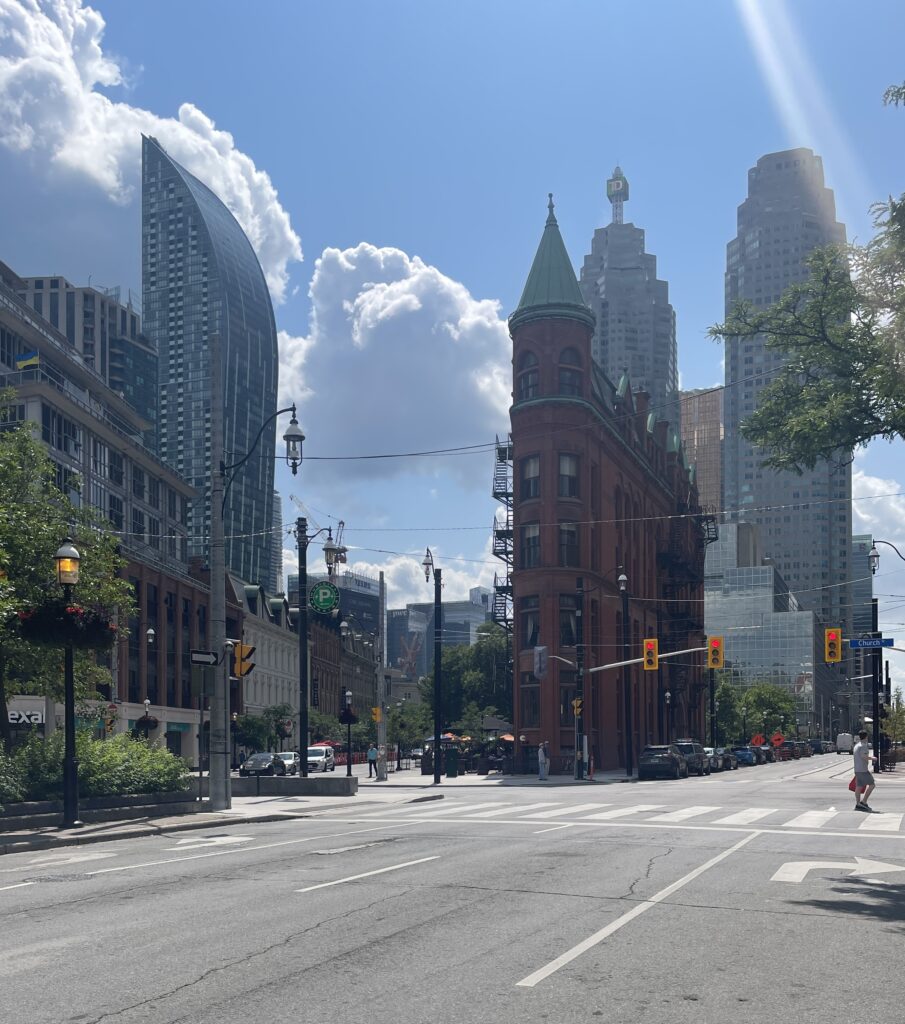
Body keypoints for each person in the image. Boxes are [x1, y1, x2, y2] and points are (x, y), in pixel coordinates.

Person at [852, 730, 876, 811]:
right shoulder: (863, 746)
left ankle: (858, 804)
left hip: (857, 769)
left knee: (858, 787)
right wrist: (872, 758)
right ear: (866, 737)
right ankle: (864, 801)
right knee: (872, 785)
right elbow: (864, 756)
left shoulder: (856, 745)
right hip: (863, 770)